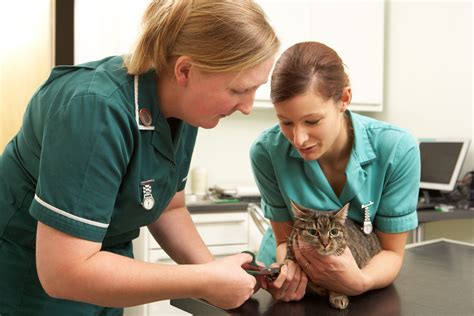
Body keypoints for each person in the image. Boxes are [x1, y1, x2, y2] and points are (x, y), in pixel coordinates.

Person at [0, 0, 279, 314]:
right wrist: (201, 279)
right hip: (33, 284)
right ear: (185, 70)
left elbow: (168, 207)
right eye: (237, 90)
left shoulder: (184, 110)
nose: (247, 106)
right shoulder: (94, 109)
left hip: (107, 269)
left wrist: (219, 275)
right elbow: (65, 272)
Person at [250, 42, 420, 302]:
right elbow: (284, 241)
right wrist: (288, 272)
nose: (299, 138)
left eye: (312, 121)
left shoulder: (397, 149)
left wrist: (360, 282)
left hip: (363, 282)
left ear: (344, 99)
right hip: (291, 280)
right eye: (285, 122)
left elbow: (391, 253)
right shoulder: (266, 152)